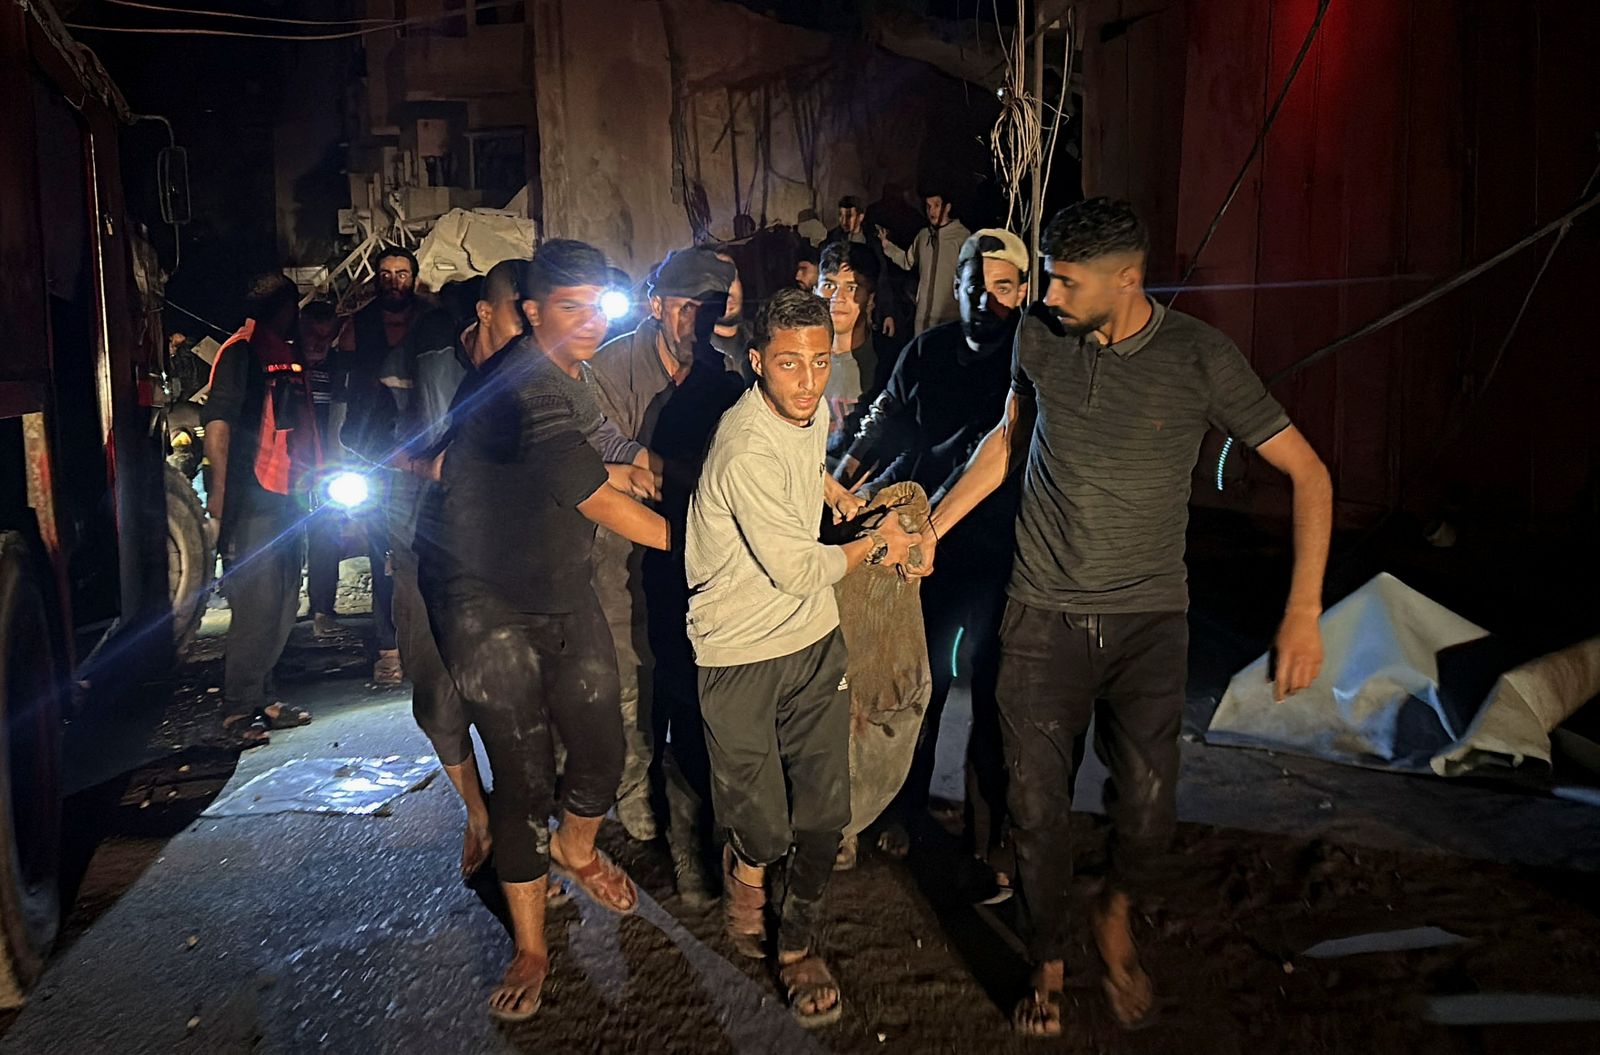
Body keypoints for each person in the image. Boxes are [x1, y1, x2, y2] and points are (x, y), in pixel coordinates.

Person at [926, 198, 1332, 1035]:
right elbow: (1008, 439)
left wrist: (1302, 613)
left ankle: (1114, 907)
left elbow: (1310, 474)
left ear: (1129, 281)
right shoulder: (1040, 337)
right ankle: (1046, 956)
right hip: (1041, 616)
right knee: (1035, 810)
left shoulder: (1198, 357)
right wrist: (931, 526)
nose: (1046, 291)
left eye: (1066, 280)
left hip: (1149, 622)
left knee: (1148, 810)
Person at [420, 241, 672, 1024]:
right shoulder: (523, 382)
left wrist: (660, 468)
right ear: (532, 313)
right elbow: (596, 498)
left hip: (558, 586)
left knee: (602, 743)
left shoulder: (570, 367)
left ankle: (577, 847)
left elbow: (605, 448)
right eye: (573, 307)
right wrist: (711, 542)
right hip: (484, 598)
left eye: (601, 305)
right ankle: (530, 945)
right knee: (524, 778)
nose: (592, 322)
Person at [686, 288, 923, 1028]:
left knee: (825, 817)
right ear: (757, 362)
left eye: (821, 362)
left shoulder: (809, 409)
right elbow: (798, 568)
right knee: (761, 824)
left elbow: (805, 450)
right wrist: (877, 544)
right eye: (788, 364)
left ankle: (796, 948)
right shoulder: (743, 444)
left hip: (813, 641)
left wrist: (825, 485)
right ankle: (747, 863)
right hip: (738, 652)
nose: (808, 381)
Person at [836, 228, 1031, 902]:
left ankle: (987, 841)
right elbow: (882, 423)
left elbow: (1004, 448)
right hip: (922, 555)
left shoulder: (1027, 362)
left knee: (997, 703)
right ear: (958, 284)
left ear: (1024, 293)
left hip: (1001, 556)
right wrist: (839, 482)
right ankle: (901, 809)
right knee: (918, 686)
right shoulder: (925, 353)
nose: (987, 295)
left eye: (1005, 285)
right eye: (977, 280)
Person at [590, 247, 747, 895]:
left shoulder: (728, 374)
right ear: (657, 306)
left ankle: (685, 802)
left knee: (690, 680)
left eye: (715, 311)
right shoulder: (613, 366)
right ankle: (633, 785)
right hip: (619, 549)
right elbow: (605, 450)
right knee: (630, 671)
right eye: (688, 308)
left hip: (696, 555)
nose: (699, 324)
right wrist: (676, 475)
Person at [378, 261, 525, 881]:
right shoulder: (433, 359)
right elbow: (407, 447)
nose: (534, 327)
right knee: (436, 699)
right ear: (486, 314)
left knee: (516, 698)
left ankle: (521, 829)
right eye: (523, 311)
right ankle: (478, 812)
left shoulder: (537, 371)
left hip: (504, 551)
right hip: (425, 543)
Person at [202, 273, 317, 745]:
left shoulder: (282, 350)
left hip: (288, 494)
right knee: (257, 604)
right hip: (253, 498)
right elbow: (219, 431)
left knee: (286, 599)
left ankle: (266, 699)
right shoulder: (241, 352)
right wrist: (218, 507)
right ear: (283, 307)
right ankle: (236, 710)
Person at [339, 246, 425, 685]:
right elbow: (348, 388)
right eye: (387, 273)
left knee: (427, 550)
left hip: (424, 449)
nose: (395, 281)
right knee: (382, 555)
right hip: (374, 453)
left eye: (403, 273)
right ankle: (388, 648)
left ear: (415, 276)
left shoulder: (430, 320)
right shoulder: (360, 326)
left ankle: (426, 644)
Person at [816, 240, 895, 461]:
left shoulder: (888, 364)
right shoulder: (796, 356)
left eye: (851, 288)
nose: (837, 298)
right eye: (829, 285)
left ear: (870, 299)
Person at [299, 300, 345, 639]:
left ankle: (322, 609)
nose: (319, 342)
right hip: (292, 466)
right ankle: (284, 610)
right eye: (313, 335)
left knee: (326, 538)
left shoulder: (337, 368)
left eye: (326, 336)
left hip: (326, 466)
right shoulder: (287, 365)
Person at [877, 188, 971, 336]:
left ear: (947, 207)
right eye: (928, 206)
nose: (931, 210)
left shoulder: (962, 237)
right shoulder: (923, 235)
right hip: (922, 317)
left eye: (936, 205)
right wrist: (888, 246)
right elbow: (907, 261)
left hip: (949, 317)